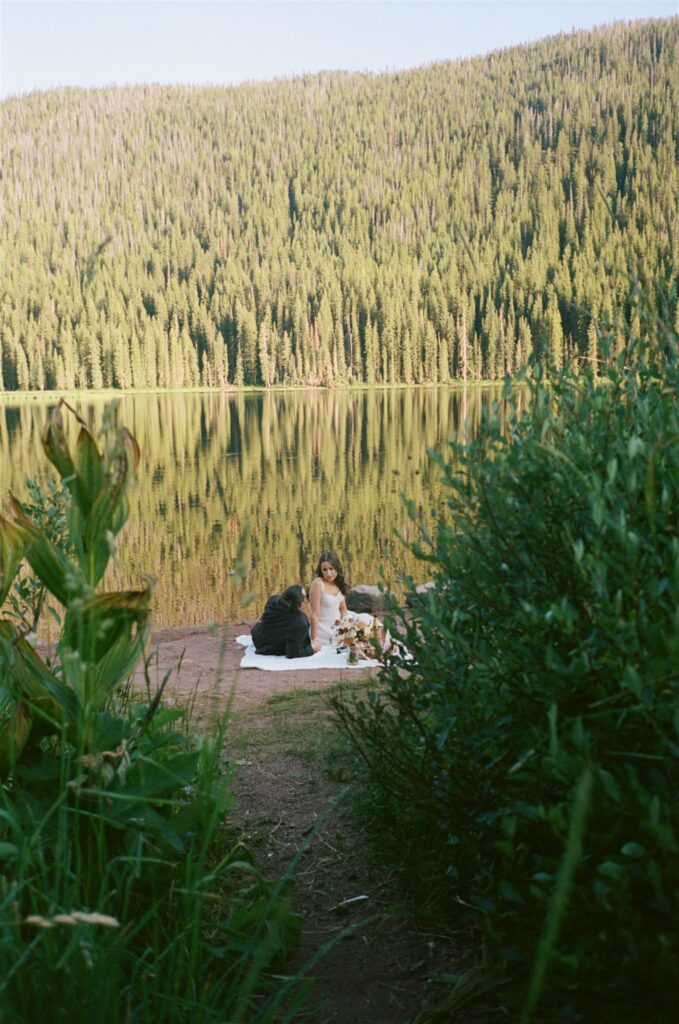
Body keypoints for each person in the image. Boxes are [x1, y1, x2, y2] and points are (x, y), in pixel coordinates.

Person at [251, 584, 321, 659]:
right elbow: (293, 653)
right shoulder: (300, 621)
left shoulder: (273, 600)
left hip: (258, 639)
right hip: (270, 648)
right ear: (300, 604)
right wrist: (313, 647)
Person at [308, 550, 349, 647]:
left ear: (337, 567)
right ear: (320, 570)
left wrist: (346, 627)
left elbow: (343, 609)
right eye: (324, 570)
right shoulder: (318, 584)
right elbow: (314, 614)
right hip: (322, 631)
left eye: (331, 569)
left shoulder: (338, 584)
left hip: (338, 629)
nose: (328, 574)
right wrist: (314, 640)